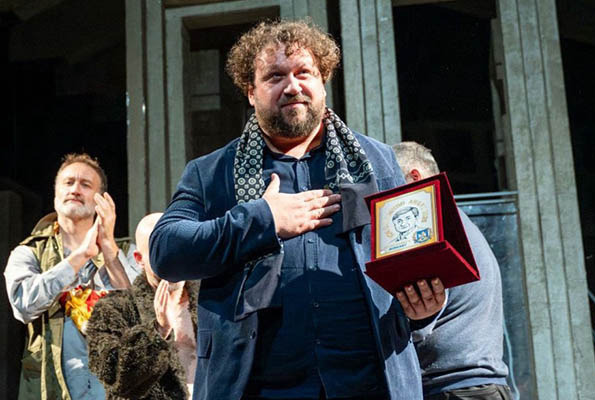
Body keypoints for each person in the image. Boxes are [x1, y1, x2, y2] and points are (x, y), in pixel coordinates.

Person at [150, 20, 446, 400]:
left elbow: (410, 260)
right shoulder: (211, 173)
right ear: (251, 92)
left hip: (369, 385)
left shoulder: (377, 161)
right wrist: (263, 219)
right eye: (275, 76)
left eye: (304, 72)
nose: (292, 86)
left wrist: (423, 309)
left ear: (323, 81)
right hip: (258, 390)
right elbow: (166, 251)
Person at [4, 153, 140, 400]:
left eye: (86, 185)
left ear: (101, 200)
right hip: (52, 391)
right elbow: (23, 305)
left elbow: (142, 314)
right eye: (68, 183)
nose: (75, 190)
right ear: (56, 194)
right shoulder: (29, 252)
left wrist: (109, 250)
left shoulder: (127, 252)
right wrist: (80, 256)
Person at [392, 141, 513, 400]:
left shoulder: (430, 229)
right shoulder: (457, 224)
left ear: (415, 177)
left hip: (456, 387)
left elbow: (419, 321)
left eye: (389, 185)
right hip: (478, 385)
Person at [86, 213, 200, 399]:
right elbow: (116, 380)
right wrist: (158, 330)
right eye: (159, 251)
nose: (171, 258)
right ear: (139, 259)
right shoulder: (113, 309)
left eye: (177, 248)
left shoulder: (212, 300)